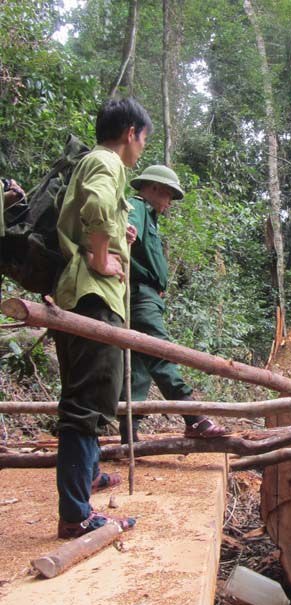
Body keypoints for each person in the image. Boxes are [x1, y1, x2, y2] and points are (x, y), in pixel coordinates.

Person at [54, 97, 152, 539]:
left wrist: (117, 234)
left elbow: (95, 212)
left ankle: (88, 477)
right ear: (131, 132)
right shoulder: (108, 162)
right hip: (93, 295)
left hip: (80, 294)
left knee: (91, 396)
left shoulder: (94, 163)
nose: (142, 149)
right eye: (143, 139)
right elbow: (95, 204)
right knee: (85, 403)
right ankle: (76, 514)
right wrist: (99, 256)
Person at [119, 164, 225, 443]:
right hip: (139, 296)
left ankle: (128, 434)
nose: (169, 204)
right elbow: (125, 237)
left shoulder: (149, 216)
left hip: (147, 295)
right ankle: (194, 417)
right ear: (154, 189)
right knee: (161, 352)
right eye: (168, 196)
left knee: (140, 367)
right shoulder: (137, 207)